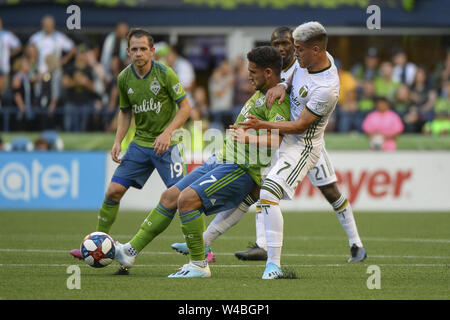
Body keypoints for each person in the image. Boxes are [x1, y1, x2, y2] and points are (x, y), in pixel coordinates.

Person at [113, 46, 291, 278]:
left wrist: (246, 137)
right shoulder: (262, 92)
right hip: (222, 158)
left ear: (269, 73)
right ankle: (130, 251)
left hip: (241, 168)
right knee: (170, 196)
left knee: (187, 200)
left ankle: (199, 264)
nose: (248, 76)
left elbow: (278, 140)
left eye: (253, 72)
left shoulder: (276, 100)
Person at [199, 26, 366, 266]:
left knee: (330, 192)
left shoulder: (323, 82)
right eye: (277, 44)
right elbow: (291, 77)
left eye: (288, 45)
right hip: (282, 140)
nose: (285, 49)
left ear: (309, 49)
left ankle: (356, 243)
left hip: (305, 143)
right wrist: (282, 85)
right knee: (258, 189)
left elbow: (299, 125)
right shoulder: (294, 65)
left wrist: (261, 126)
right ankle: (257, 245)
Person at [69, 28, 191, 260]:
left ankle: (202, 247)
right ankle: (98, 243)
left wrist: (167, 133)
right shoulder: (124, 78)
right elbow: (124, 112)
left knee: (185, 196)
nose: (138, 53)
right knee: (113, 191)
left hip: (169, 144)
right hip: (140, 144)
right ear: (127, 52)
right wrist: (118, 141)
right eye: (134, 49)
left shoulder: (165, 74)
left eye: (143, 49)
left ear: (152, 51)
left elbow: (186, 107)